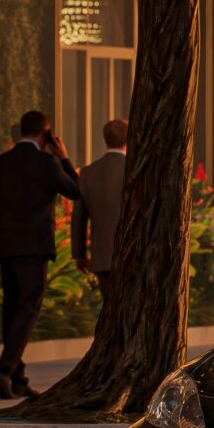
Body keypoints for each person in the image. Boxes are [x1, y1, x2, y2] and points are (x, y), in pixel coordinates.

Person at [0, 110, 83, 400]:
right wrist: (64, 156)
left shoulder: (0, 163)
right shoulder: (47, 162)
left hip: (5, 246)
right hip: (34, 246)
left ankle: (16, 378)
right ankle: (3, 369)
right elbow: (76, 190)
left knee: (12, 309)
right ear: (46, 134)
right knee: (28, 308)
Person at [74, 118, 129, 304]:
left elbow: (79, 217)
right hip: (131, 255)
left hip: (101, 255)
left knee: (110, 307)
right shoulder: (133, 170)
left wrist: (79, 254)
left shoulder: (88, 172)